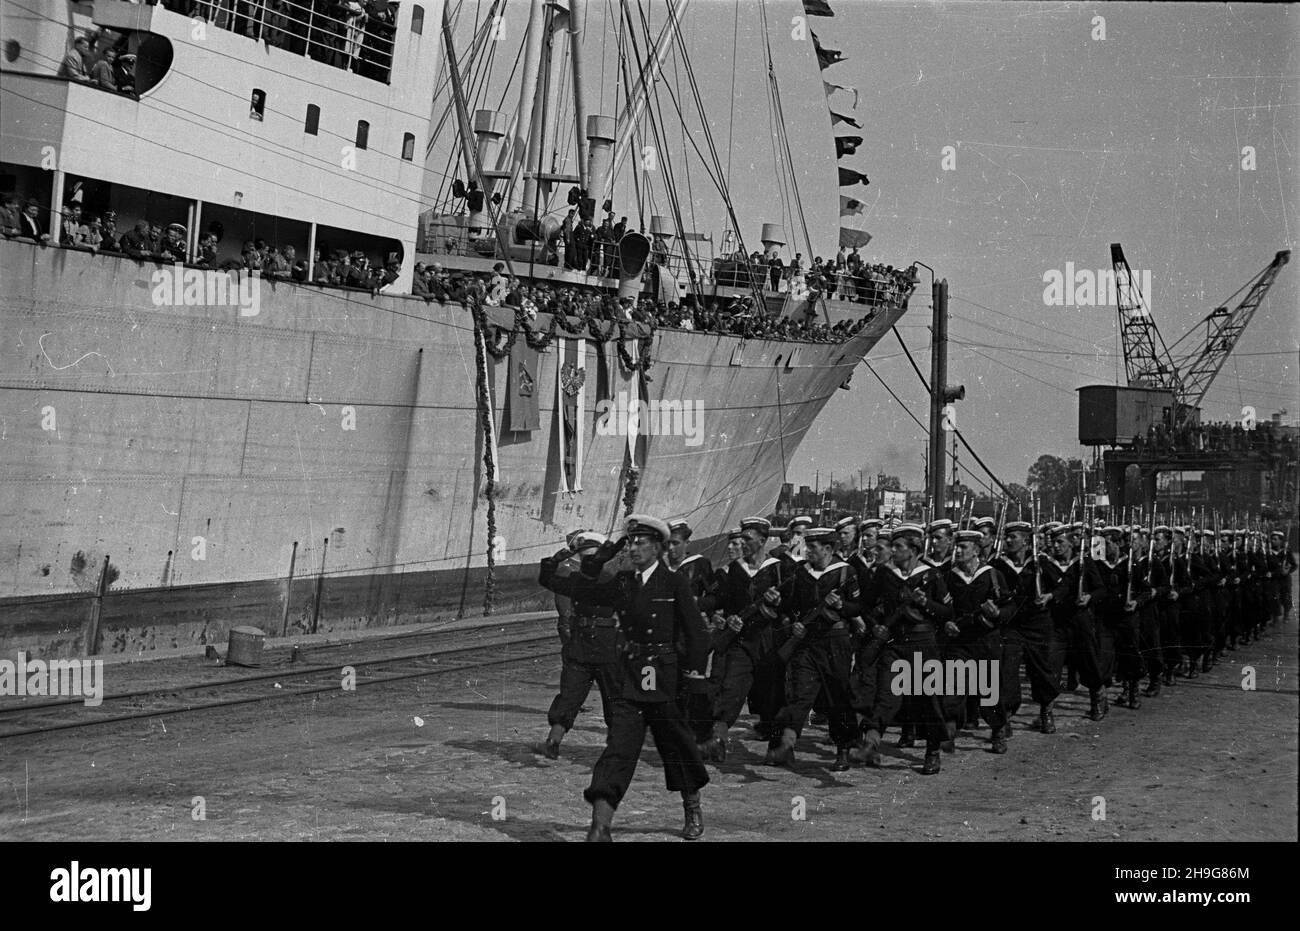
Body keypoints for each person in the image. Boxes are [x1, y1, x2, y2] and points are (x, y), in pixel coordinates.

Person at [539, 514, 710, 842]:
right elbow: (579, 587)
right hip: (629, 676)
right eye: (630, 541)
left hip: (658, 675)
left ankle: (692, 805)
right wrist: (584, 558)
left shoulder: (674, 583)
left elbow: (696, 633)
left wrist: (694, 675)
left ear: (658, 547)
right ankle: (600, 825)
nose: (633, 548)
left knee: (675, 744)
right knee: (619, 748)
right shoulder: (622, 583)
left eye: (640, 542)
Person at [850, 522, 953, 774]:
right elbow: (865, 604)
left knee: (927, 699)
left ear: (914, 549)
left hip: (923, 644)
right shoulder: (885, 574)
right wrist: (876, 626)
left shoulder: (931, 575)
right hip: (894, 643)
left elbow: (947, 611)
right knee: (887, 695)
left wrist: (925, 602)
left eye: (898, 546)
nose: (892, 550)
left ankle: (932, 751)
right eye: (893, 546)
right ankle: (871, 743)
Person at [765, 527, 863, 771]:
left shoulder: (845, 572)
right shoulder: (801, 573)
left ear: (828, 549)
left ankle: (843, 750)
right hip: (807, 642)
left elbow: (857, 607)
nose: (808, 551)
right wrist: (790, 618)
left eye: (813, 547)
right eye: (807, 546)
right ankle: (787, 745)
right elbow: (789, 605)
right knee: (800, 693)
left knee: (837, 696)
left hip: (835, 641)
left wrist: (841, 604)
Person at [539, 531, 621, 759]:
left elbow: (546, 579)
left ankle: (554, 740)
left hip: (580, 644)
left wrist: (556, 559)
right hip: (607, 645)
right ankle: (618, 747)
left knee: (570, 694)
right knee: (613, 697)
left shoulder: (576, 580)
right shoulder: (614, 579)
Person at [941, 529, 1012, 752]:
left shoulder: (992, 575)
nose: (958, 551)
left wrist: (997, 613)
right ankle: (950, 729)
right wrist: (946, 622)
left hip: (986, 641)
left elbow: (1009, 605)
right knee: (953, 686)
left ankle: (998, 728)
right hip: (959, 642)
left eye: (964, 547)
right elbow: (943, 608)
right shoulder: (950, 576)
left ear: (976, 551)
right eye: (957, 546)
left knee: (988, 690)